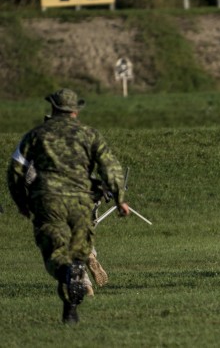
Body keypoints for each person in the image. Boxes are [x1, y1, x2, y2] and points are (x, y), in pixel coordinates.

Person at [7, 88, 130, 324]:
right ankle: (73, 302)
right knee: (78, 254)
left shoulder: (35, 135)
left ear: (52, 108)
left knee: (56, 256)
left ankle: (68, 276)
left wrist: (21, 202)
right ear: (75, 111)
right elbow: (110, 167)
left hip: (48, 202)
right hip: (82, 203)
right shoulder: (89, 135)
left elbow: (15, 169)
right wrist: (120, 199)